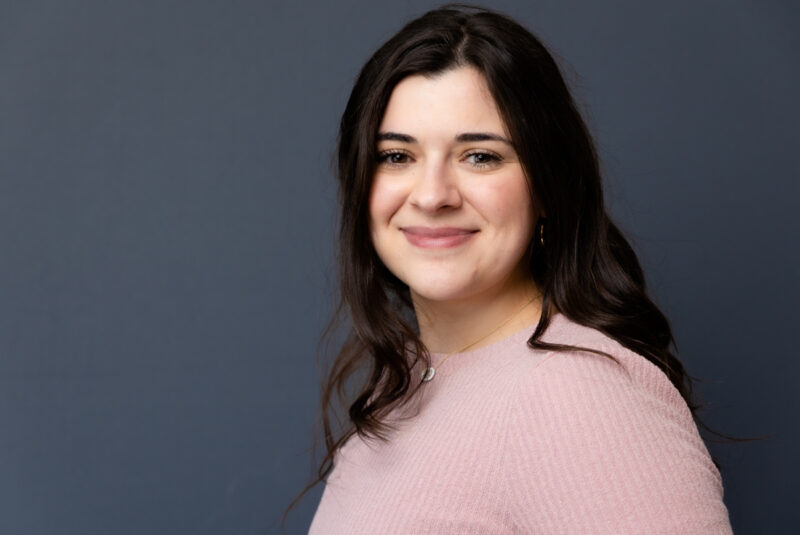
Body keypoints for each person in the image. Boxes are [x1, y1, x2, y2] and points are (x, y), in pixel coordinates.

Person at [288, 4, 734, 533]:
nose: (432, 195)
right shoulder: (403, 387)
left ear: (547, 185)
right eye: (396, 156)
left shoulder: (578, 395)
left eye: (480, 156)